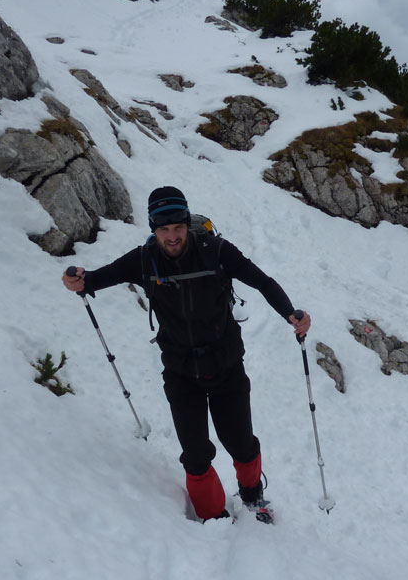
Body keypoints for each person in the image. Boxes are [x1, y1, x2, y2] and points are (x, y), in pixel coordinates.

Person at [62, 186, 311, 522]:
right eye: (164, 230)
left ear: (187, 223)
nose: (172, 237)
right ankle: (214, 519)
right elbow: (95, 279)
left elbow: (263, 282)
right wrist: (78, 280)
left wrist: (291, 313)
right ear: (153, 229)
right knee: (195, 456)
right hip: (180, 373)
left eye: (178, 227)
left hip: (226, 366)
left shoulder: (217, 251)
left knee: (241, 443)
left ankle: (253, 495)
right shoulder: (144, 260)